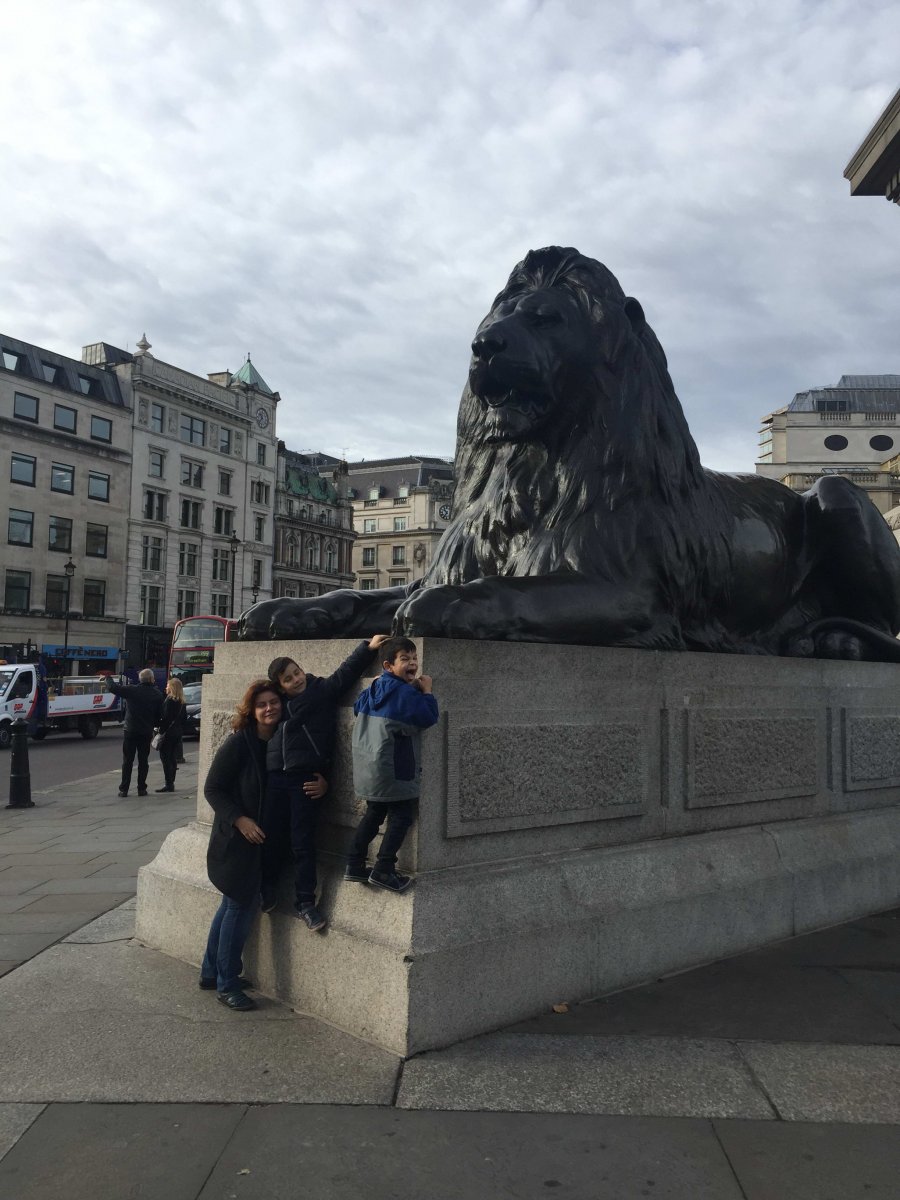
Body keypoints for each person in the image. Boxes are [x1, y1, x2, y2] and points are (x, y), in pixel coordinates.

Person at [264, 634, 389, 931]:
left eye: (296, 672)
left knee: (303, 843)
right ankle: (265, 888)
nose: (296, 679)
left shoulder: (320, 691)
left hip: (305, 781)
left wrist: (366, 649)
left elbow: (345, 675)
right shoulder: (275, 704)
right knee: (271, 838)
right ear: (279, 685)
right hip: (275, 779)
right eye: (288, 678)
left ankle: (306, 902)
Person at [200, 679, 283, 1011]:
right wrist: (241, 820)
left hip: (260, 842)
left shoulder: (279, 740)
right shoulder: (240, 743)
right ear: (252, 710)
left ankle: (211, 972)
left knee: (232, 905)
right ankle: (227, 983)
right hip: (235, 841)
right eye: (262, 704)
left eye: (273, 702)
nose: (269, 709)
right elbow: (213, 788)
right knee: (239, 906)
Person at [344, 636, 438, 893]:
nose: (413, 663)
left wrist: (374, 685)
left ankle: (354, 864)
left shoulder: (375, 688)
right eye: (405, 659)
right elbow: (428, 716)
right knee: (401, 817)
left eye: (414, 658)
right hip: (395, 766)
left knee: (373, 814)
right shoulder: (404, 692)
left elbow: (357, 708)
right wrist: (427, 691)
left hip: (371, 768)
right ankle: (384, 869)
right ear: (388, 666)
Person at [106, 668, 164, 797]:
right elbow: (160, 715)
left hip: (130, 730)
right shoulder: (157, 694)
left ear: (140, 679)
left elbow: (113, 688)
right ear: (151, 679)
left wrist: (107, 678)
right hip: (146, 731)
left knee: (128, 760)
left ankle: (124, 789)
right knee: (143, 761)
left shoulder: (132, 690)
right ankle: (141, 788)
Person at [155, 677, 187, 793]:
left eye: (168, 685)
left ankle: (168, 783)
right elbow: (184, 718)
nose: (166, 687)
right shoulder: (182, 702)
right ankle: (171, 782)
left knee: (165, 758)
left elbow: (166, 718)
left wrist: (160, 730)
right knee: (172, 757)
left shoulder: (169, 701)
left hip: (168, 733)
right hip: (177, 732)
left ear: (172, 687)